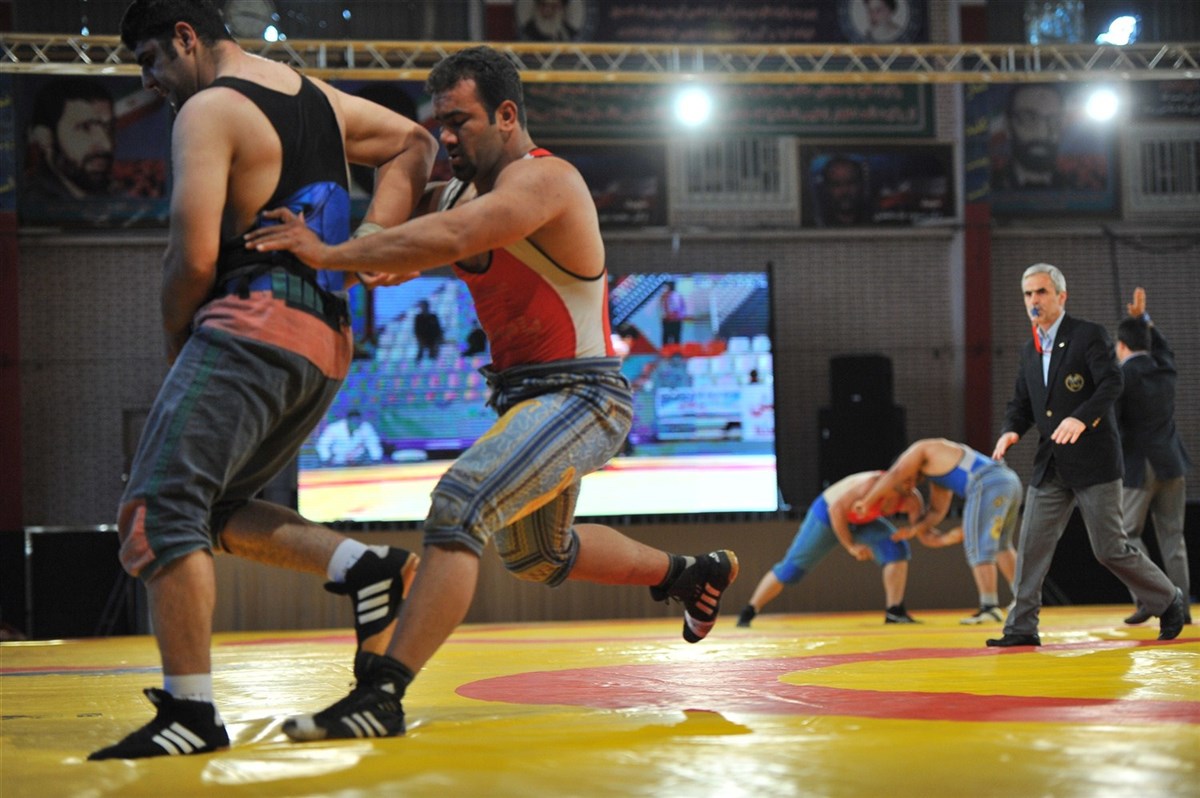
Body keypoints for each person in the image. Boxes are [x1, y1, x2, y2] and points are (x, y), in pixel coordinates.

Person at [244, 45, 740, 742]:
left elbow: (451, 235)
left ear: (507, 115)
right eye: (439, 125)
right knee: (537, 556)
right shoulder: (453, 190)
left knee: (459, 502)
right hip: (522, 398)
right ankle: (689, 574)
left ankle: (382, 695)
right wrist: (390, 198)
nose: (447, 138)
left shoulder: (547, 181)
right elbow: (399, 208)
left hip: (583, 396)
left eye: (460, 122)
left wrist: (335, 253)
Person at [89, 0, 437, 760]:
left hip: (251, 327)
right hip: (326, 346)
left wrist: (177, 338)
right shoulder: (316, 97)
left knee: (157, 511)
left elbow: (191, 259)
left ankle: (191, 714)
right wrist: (373, 239)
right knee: (213, 510)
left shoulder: (210, 109)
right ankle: (363, 568)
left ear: (186, 38)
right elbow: (416, 141)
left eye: (148, 61)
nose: (148, 82)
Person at [988, 263, 1186, 647]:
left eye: (1041, 292)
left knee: (1110, 549)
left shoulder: (1087, 335)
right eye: (1028, 293)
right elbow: (1021, 403)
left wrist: (1081, 418)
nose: (1033, 300)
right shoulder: (1030, 350)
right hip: (1051, 464)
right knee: (1031, 546)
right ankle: (1021, 627)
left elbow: (1112, 381)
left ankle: (1168, 598)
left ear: (1061, 297)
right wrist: (1011, 429)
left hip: (1095, 461)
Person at [854, 438, 1021, 625]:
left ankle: (989, 607)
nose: (910, 486)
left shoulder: (922, 448)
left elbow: (896, 473)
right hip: (1008, 480)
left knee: (978, 545)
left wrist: (867, 501)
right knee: (1002, 545)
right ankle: (1023, 599)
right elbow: (936, 512)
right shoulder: (938, 473)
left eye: (908, 480)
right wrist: (914, 530)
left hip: (986, 482)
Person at [736, 470, 931, 628]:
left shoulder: (912, 498)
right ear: (895, 474)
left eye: (915, 480)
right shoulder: (870, 485)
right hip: (828, 514)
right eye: (907, 479)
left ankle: (894, 611)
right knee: (791, 569)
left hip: (862, 520)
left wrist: (912, 531)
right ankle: (750, 609)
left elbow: (920, 529)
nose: (911, 485)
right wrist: (851, 546)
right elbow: (836, 510)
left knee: (896, 548)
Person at [1115, 288, 1192, 626]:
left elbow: (1115, 424)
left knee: (1124, 536)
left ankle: (1154, 596)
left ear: (1120, 346)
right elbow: (1164, 348)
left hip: (1140, 465)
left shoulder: (1122, 376)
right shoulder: (1165, 369)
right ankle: (1182, 608)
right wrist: (1144, 320)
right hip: (1172, 463)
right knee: (1174, 538)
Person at [23, 77, 116, 200]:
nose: (107, 144)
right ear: (45, 137)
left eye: (109, 128)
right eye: (85, 127)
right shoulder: (31, 203)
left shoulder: (114, 195)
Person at [993, 84, 1072, 191]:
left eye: (1054, 119)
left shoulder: (1075, 188)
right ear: (1008, 125)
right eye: (1029, 118)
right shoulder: (990, 186)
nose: (1043, 133)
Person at [317, 409, 384, 466]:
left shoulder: (366, 427)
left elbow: (373, 444)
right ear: (348, 421)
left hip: (358, 462)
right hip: (338, 463)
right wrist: (326, 459)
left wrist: (376, 458)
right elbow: (322, 445)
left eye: (358, 421)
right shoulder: (334, 428)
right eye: (354, 421)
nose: (357, 424)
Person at [816, 156, 869, 226]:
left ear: (861, 185)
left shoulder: (874, 221)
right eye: (836, 184)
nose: (845, 191)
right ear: (827, 188)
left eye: (850, 182)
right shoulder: (819, 223)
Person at [412, 298, 443, 363]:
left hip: (433, 339)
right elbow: (416, 330)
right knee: (421, 350)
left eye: (425, 306)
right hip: (422, 339)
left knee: (433, 352)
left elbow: (438, 329)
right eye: (422, 306)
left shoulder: (433, 317)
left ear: (428, 306)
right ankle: (418, 361)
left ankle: (433, 359)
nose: (423, 308)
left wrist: (437, 340)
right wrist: (420, 339)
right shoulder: (418, 317)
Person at [659, 280, 686, 346]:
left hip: (675, 322)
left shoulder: (676, 296)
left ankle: (676, 351)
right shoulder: (664, 296)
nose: (665, 289)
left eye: (666, 287)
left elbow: (678, 309)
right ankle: (666, 351)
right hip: (667, 321)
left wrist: (673, 316)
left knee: (676, 340)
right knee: (665, 341)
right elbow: (662, 308)